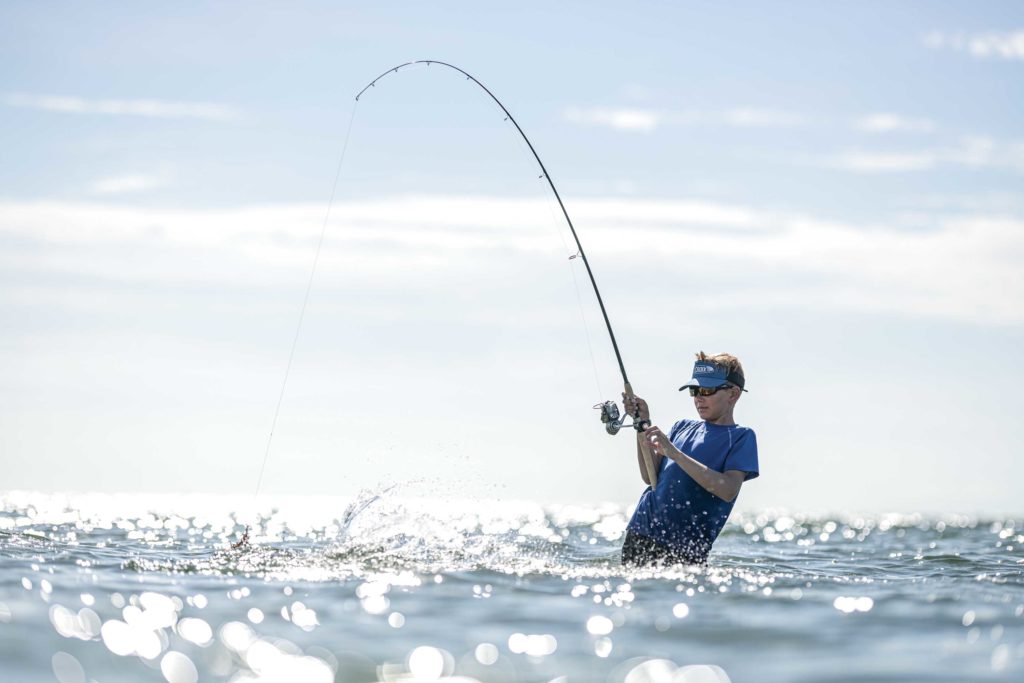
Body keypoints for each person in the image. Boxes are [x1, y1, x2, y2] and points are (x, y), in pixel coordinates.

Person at [621, 351, 759, 567]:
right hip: (640, 533)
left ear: (733, 393)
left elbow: (728, 489)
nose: (699, 398)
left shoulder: (742, 437)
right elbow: (650, 476)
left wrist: (674, 453)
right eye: (694, 391)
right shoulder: (681, 427)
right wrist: (642, 422)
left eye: (706, 390)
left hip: (685, 549)